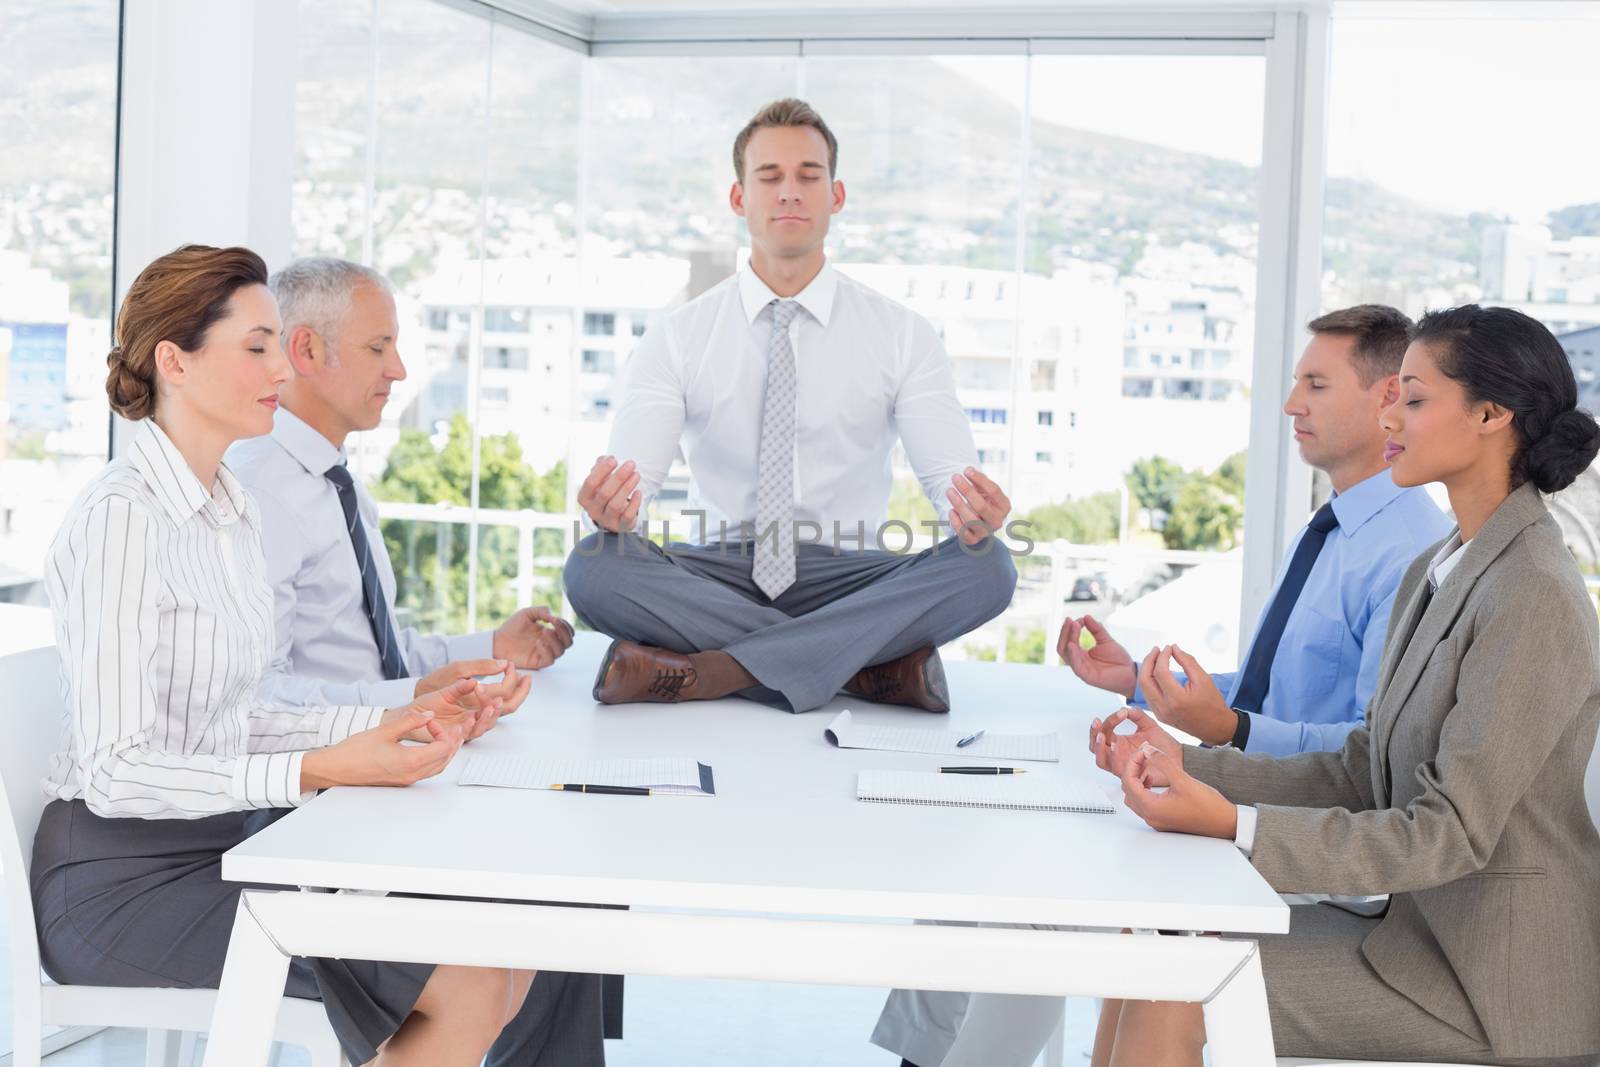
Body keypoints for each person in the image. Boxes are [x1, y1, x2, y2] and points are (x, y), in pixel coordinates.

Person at [944, 304, 1600, 1067]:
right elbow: (1364, 766)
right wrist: (1184, 767)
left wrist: (1233, 824)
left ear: (1491, 415)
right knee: (1154, 935)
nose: (1395, 412)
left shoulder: (1533, 590)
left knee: (1174, 981)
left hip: (1493, 979)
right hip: (1414, 931)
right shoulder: (1444, 565)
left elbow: (1450, 831)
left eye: (1414, 397)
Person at [872, 304, 1452, 1067]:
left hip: (1299, 837)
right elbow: (1265, 687)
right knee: (996, 857)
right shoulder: (1334, 530)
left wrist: (1227, 729)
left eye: (1315, 384)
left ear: (1385, 402)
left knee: (1049, 888)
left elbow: (1365, 752)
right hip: (1245, 794)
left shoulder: (1406, 552)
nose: (1290, 405)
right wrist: (1138, 681)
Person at [31, 244, 532, 1067]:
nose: (279, 367)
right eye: (257, 346)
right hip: (117, 883)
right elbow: (118, 770)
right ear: (175, 362)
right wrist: (318, 767)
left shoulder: (231, 509)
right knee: (470, 980)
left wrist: (399, 717)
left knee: (500, 957)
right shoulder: (121, 516)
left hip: (224, 843)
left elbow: (240, 714)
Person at [227, 256, 603, 1065]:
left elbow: (374, 650)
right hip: (318, 800)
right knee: (541, 903)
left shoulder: (334, 484)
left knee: (569, 903)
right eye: (379, 347)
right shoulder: (261, 492)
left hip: (382, 767)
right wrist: (417, 700)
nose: (399, 369)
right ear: (305, 350)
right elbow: (262, 697)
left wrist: (482, 653)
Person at [562, 98, 1018, 714]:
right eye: (769, 177)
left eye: (808, 175)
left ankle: (709, 672)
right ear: (738, 198)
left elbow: (948, 479)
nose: (789, 193)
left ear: (836, 195)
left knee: (988, 566)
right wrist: (613, 505)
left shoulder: (902, 333)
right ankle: (861, 672)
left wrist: (971, 512)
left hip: (850, 574)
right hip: (719, 571)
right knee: (595, 566)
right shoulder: (680, 336)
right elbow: (633, 479)